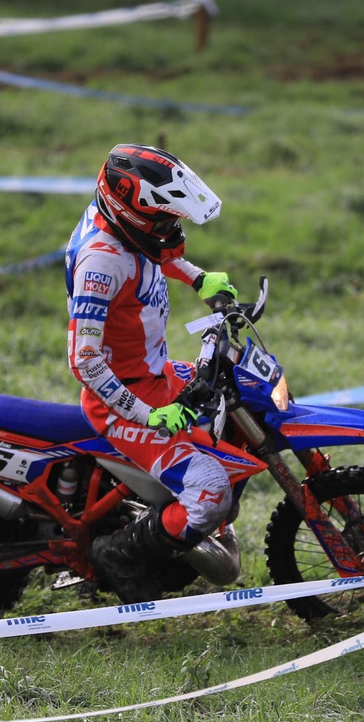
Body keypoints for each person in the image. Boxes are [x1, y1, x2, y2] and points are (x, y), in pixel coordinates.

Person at [64, 144, 237, 601]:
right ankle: (120, 554)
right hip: (121, 399)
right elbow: (83, 359)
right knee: (211, 490)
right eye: (164, 219)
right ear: (134, 212)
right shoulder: (101, 261)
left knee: (233, 397)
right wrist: (146, 415)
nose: (172, 228)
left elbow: (155, 250)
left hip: (153, 371)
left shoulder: (126, 227)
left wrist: (198, 278)